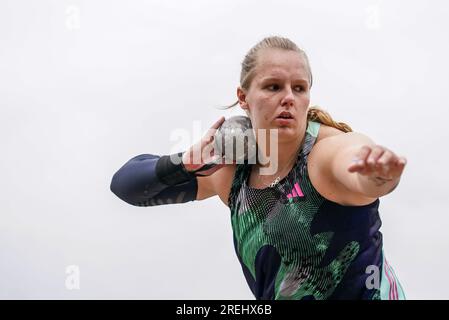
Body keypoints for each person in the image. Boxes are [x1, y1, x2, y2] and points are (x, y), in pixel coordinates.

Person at [110, 36, 407, 300]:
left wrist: (377, 172)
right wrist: (184, 164)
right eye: (273, 87)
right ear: (243, 98)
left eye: (299, 88)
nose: (288, 97)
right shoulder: (231, 173)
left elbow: (357, 167)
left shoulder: (325, 154)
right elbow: (127, 186)